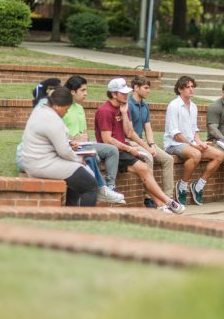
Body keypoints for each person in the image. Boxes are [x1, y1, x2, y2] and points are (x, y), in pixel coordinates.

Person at [94, 78, 185, 215]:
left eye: (126, 93)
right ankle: (166, 201)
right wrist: (130, 149)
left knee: (144, 170)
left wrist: (124, 114)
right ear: (113, 94)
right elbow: (107, 139)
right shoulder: (105, 110)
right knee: (144, 169)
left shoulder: (124, 108)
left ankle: (162, 203)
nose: (126, 95)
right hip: (112, 152)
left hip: (122, 150)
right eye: (123, 93)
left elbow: (129, 132)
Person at [21, 86, 98, 207]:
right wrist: (79, 160)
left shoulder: (40, 110)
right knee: (90, 185)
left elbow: (53, 140)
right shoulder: (52, 119)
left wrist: (68, 142)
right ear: (57, 106)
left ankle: (70, 212)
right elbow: (64, 152)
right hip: (42, 164)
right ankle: (84, 220)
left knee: (77, 179)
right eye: (66, 109)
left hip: (35, 161)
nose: (66, 112)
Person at [63, 75, 124, 205]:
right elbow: (58, 134)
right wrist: (74, 139)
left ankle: (110, 186)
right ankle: (101, 189)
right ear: (73, 92)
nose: (86, 93)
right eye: (83, 90)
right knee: (90, 157)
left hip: (83, 144)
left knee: (112, 150)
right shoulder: (63, 108)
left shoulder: (79, 108)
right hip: (71, 146)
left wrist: (86, 142)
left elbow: (85, 132)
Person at [163, 76, 224, 206]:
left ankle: (198, 186)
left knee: (219, 155)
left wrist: (199, 142)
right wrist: (193, 145)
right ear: (180, 89)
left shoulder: (194, 106)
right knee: (196, 154)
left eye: (192, 87)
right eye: (188, 87)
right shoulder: (174, 106)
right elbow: (175, 134)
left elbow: (194, 131)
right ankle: (182, 186)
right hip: (174, 144)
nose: (191, 89)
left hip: (190, 143)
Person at [127, 75, 175, 209]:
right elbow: (130, 133)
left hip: (142, 141)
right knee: (149, 158)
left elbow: (147, 127)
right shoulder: (128, 105)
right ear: (136, 88)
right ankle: (149, 198)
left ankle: (168, 198)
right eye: (146, 88)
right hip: (130, 141)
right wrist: (147, 148)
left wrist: (152, 144)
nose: (148, 91)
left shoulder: (144, 106)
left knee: (168, 159)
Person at [17, 78, 62, 172]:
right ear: (50, 92)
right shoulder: (45, 108)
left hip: (29, 158)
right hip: (32, 161)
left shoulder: (41, 106)